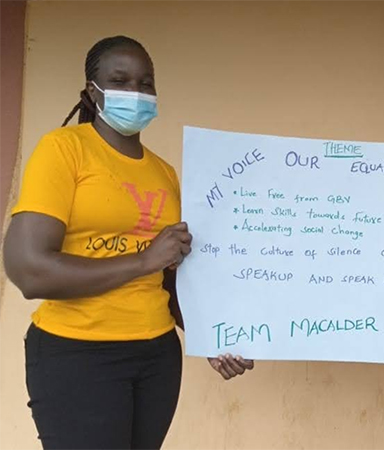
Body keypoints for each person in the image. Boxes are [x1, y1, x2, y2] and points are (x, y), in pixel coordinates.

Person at [3, 36, 254, 449]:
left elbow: (171, 278)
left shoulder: (165, 173)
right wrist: (143, 260)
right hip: (77, 353)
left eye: (145, 84)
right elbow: (29, 270)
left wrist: (214, 336)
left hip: (156, 356)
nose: (135, 94)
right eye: (119, 81)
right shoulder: (64, 150)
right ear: (91, 91)